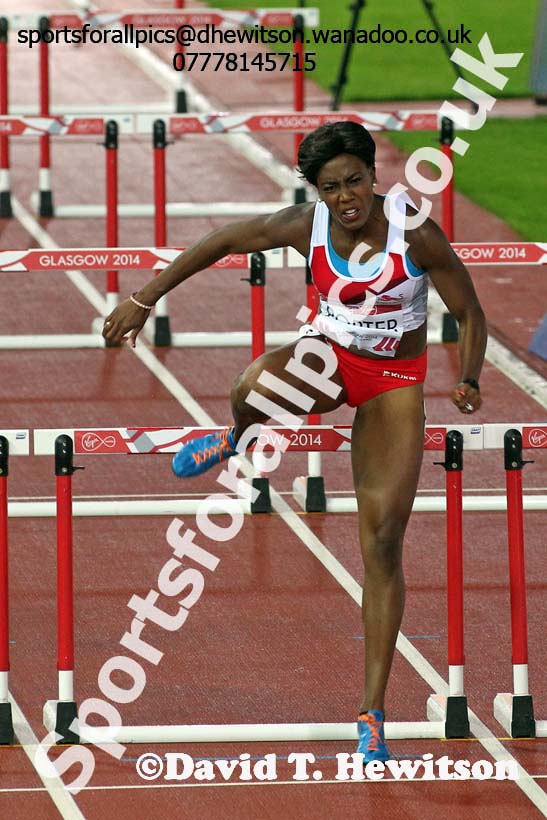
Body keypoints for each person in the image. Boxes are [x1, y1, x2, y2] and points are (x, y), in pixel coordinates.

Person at [103, 121, 487, 762]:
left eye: (356, 181)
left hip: (394, 379)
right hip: (328, 360)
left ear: (374, 175)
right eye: (332, 187)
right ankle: (239, 439)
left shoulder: (410, 229)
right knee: (253, 382)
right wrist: (143, 298)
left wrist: (469, 377)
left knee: (383, 541)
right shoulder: (305, 225)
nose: (347, 198)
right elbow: (223, 241)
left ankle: (371, 710)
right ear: (317, 190)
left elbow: (470, 310)